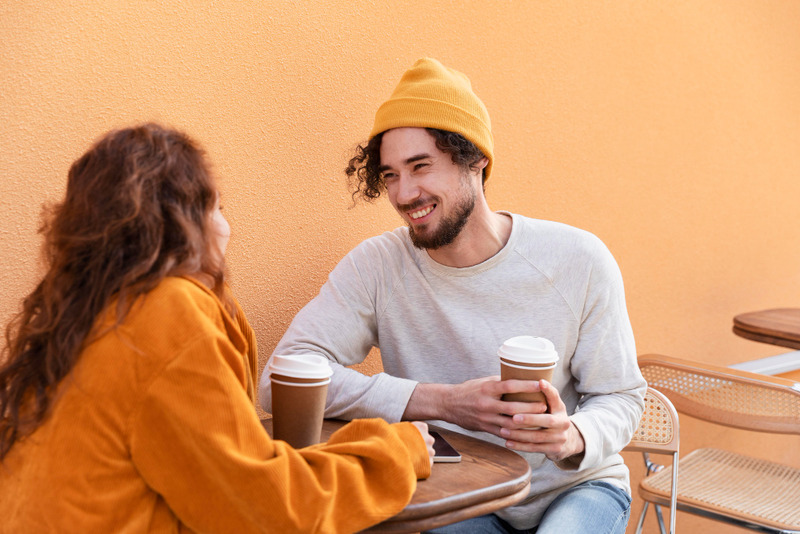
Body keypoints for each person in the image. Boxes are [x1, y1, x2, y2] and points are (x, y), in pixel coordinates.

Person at [259, 58, 647, 533]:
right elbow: (279, 379)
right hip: (459, 492)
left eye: (420, 166)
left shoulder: (577, 259)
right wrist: (441, 402)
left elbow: (620, 396)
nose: (404, 194)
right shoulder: (378, 266)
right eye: (390, 175)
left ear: (475, 159)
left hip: (575, 488)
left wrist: (573, 437)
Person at [0, 123, 434, 533]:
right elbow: (268, 508)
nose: (227, 229)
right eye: (217, 208)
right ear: (187, 225)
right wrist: (398, 450)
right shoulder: (165, 313)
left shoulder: (84, 312)